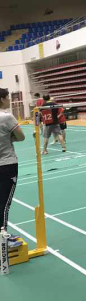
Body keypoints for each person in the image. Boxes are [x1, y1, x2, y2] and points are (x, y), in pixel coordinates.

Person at [0, 88, 24, 238]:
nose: (10, 100)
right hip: (7, 165)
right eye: (8, 97)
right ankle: (2, 236)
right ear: (2, 99)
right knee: (4, 202)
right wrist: (9, 138)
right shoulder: (7, 117)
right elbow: (21, 137)